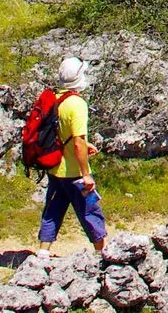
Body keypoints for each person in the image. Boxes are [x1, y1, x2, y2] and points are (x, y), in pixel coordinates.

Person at [38, 56, 107, 255]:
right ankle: (101, 254)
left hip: (54, 168)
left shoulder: (54, 98)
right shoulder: (76, 104)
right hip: (74, 172)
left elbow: (60, 133)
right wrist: (86, 174)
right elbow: (77, 142)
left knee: (53, 209)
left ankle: (43, 253)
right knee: (90, 211)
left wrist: (86, 144)